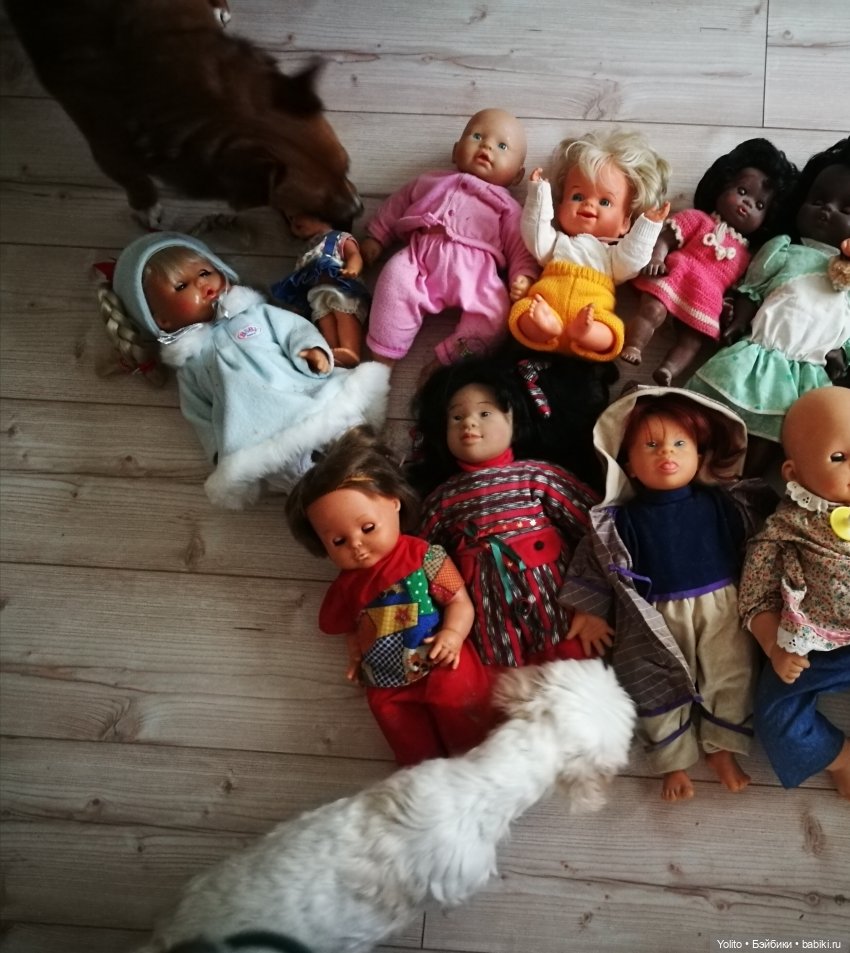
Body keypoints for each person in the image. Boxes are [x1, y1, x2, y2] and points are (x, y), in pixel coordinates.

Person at [560, 388, 764, 802]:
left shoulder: (722, 503)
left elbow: (755, 545)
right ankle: (673, 762)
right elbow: (597, 559)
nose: (666, 452)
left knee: (732, 672)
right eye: (650, 446)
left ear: (700, 456)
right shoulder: (621, 519)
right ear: (629, 466)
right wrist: (591, 611)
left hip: (722, 605)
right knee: (652, 683)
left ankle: (722, 748)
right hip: (652, 618)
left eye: (680, 444)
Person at [111, 232, 390, 508]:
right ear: (162, 320)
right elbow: (199, 415)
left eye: (205, 272)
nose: (201, 283)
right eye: (182, 286)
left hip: (310, 398)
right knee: (306, 484)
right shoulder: (191, 364)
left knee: (354, 441)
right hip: (259, 439)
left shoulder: (256, 314)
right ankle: (337, 516)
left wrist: (313, 351)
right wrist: (218, 451)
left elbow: (294, 330)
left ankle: (386, 486)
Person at [284, 426, 493, 767]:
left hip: (440, 662)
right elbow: (350, 626)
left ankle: (480, 769)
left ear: (394, 502)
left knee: (469, 729)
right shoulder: (346, 586)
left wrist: (453, 635)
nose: (356, 545)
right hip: (385, 682)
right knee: (413, 750)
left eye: (367, 528)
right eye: (338, 541)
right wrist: (355, 653)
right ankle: (423, 780)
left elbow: (459, 601)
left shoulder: (424, 556)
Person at [411, 355, 601, 669]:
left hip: (567, 623)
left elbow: (597, 531)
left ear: (515, 420)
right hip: (492, 643)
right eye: (456, 417)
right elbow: (420, 559)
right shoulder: (442, 502)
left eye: (485, 413)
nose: (469, 423)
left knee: (578, 690)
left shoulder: (538, 478)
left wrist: (593, 602)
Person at [687, 137, 850, 473]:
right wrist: (738, 321)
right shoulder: (785, 250)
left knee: (774, 436)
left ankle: (744, 483)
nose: (827, 210)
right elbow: (754, 289)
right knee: (714, 412)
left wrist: (841, 353)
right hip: (760, 352)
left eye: (846, 210)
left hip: (806, 373)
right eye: (818, 200)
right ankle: (694, 463)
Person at [360, 108, 539, 371]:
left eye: (502, 146)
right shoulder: (429, 181)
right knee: (393, 279)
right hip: (420, 258)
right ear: (456, 152)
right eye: (477, 136)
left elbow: (520, 245)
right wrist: (377, 236)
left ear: (517, 176)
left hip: (478, 275)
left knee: (497, 313)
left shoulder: (507, 206)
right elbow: (397, 204)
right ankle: (381, 362)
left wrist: (523, 276)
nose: (487, 146)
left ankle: (450, 362)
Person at [738, 387, 850, 799]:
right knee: (774, 712)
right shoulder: (784, 528)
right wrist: (773, 646)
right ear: (793, 472)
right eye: (838, 457)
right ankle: (839, 757)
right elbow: (755, 592)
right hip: (814, 647)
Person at [623, 138, 798, 385]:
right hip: (676, 275)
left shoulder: (747, 257)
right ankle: (634, 344)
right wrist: (657, 257)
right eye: (742, 191)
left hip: (706, 297)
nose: (747, 203)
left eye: (759, 205)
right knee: (653, 309)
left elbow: (737, 289)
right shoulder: (698, 219)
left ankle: (669, 370)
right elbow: (666, 238)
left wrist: (728, 308)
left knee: (693, 339)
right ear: (722, 186)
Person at [507, 128, 670, 361]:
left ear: (625, 222)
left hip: (592, 314)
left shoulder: (612, 257)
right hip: (547, 306)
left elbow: (634, 258)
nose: (588, 205)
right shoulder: (556, 243)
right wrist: (538, 194)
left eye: (605, 202)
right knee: (522, 311)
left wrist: (648, 225)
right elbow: (534, 232)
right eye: (577, 197)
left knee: (613, 330)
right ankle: (545, 327)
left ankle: (587, 332)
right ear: (560, 207)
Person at [270, 212, 370, 368]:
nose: (294, 222)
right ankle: (333, 351)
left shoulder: (338, 237)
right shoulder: (306, 250)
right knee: (324, 318)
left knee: (344, 314)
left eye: (299, 214)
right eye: (290, 219)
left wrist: (352, 268)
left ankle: (350, 349)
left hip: (340, 288)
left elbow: (354, 255)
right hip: (316, 294)